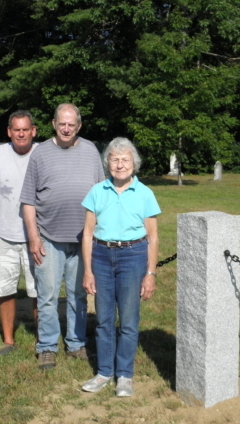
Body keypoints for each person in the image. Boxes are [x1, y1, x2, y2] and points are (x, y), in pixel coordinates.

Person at [20, 103, 104, 370]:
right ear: (54, 124)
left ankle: (76, 343)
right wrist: (34, 236)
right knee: (47, 295)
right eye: (62, 123)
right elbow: (28, 201)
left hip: (84, 241)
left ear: (78, 126)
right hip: (49, 237)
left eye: (72, 124)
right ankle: (46, 347)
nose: (66, 128)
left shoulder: (91, 151)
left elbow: (102, 195)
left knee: (79, 294)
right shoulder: (40, 153)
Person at [80, 137, 160, 397]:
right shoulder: (97, 191)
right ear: (108, 163)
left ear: (133, 163)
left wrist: (150, 273)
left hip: (133, 256)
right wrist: (88, 271)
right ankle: (104, 371)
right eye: (114, 159)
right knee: (103, 320)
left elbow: (153, 237)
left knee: (127, 319)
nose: (120, 164)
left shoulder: (145, 193)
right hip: (102, 256)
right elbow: (88, 234)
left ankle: (124, 375)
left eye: (125, 159)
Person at [0, 111, 40, 356]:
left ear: (34, 131)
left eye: (26, 129)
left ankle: (41, 339)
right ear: (9, 132)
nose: (21, 133)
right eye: (17, 129)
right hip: (4, 235)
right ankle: (8, 340)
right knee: (4, 289)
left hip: (36, 236)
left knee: (39, 290)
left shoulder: (43, 153)